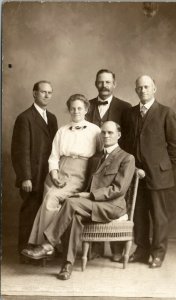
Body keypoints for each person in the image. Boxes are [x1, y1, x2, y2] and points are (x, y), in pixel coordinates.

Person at [22, 121, 135, 280]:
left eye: (110, 133)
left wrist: (88, 196)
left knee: (71, 203)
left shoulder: (127, 158)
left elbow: (118, 189)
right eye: (103, 133)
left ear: (119, 135)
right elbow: (87, 183)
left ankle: (48, 244)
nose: (106, 136)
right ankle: (67, 265)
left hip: (112, 206)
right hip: (93, 205)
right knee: (74, 216)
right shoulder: (95, 158)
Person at [124, 75, 176, 268]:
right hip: (136, 174)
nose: (143, 90)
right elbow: (126, 144)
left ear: (154, 89)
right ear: (136, 90)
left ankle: (158, 253)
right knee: (139, 214)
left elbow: (175, 146)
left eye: (146, 87)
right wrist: (134, 168)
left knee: (159, 216)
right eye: (139, 87)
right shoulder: (130, 114)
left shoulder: (166, 112)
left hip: (159, 175)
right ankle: (141, 250)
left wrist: (165, 168)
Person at [27, 94, 101, 246]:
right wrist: (54, 175)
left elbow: (101, 157)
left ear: (86, 109)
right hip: (59, 171)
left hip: (79, 173)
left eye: (80, 108)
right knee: (47, 198)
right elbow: (53, 157)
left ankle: (44, 245)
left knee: (51, 199)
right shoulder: (62, 130)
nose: (76, 111)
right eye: (72, 108)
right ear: (69, 110)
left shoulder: (95, 130)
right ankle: (52, 245)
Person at [86, 68, 132, 261]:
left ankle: (116, 250)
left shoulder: (125, 107)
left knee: (114, 199)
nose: (103, 86)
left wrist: (128, 165)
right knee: (95, 198)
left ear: (114, 84)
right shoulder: (86, 106)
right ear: (95, 83)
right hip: (94, 161)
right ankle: (95, 248)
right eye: (100, 82)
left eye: (107, 82)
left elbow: (128, 138)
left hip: (117, 162)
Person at [11, 80, 58, 259]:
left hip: (47, 174)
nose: (46, 95)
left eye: (49, 92)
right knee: (29, 212)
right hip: (32, 176)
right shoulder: (25, 118)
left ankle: (41, 251)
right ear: (34, 93)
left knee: (44, 213)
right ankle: (24, 252)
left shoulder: (52, 118)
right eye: (43, 92)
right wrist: (25, 177)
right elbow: (20, 151)